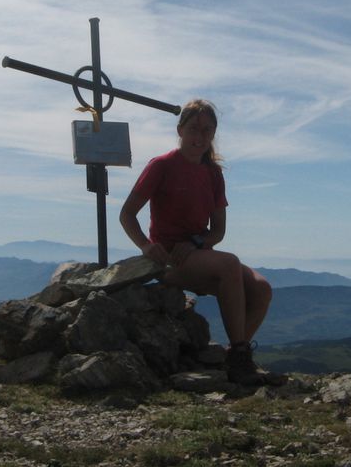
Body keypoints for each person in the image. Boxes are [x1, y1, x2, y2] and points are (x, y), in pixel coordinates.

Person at [119, 99, 285, 386]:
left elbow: (217, 231)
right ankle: (241, 361)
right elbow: (127, 214)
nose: (200, 137)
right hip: (169, 259)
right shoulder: (161, 166)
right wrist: (146, 247)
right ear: (180, 130)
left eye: (207, 130)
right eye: (194, 129)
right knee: (230, 263)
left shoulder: (213, 173)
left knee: (261, 288)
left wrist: (196, 241)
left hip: (198, 255)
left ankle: (234, 354)